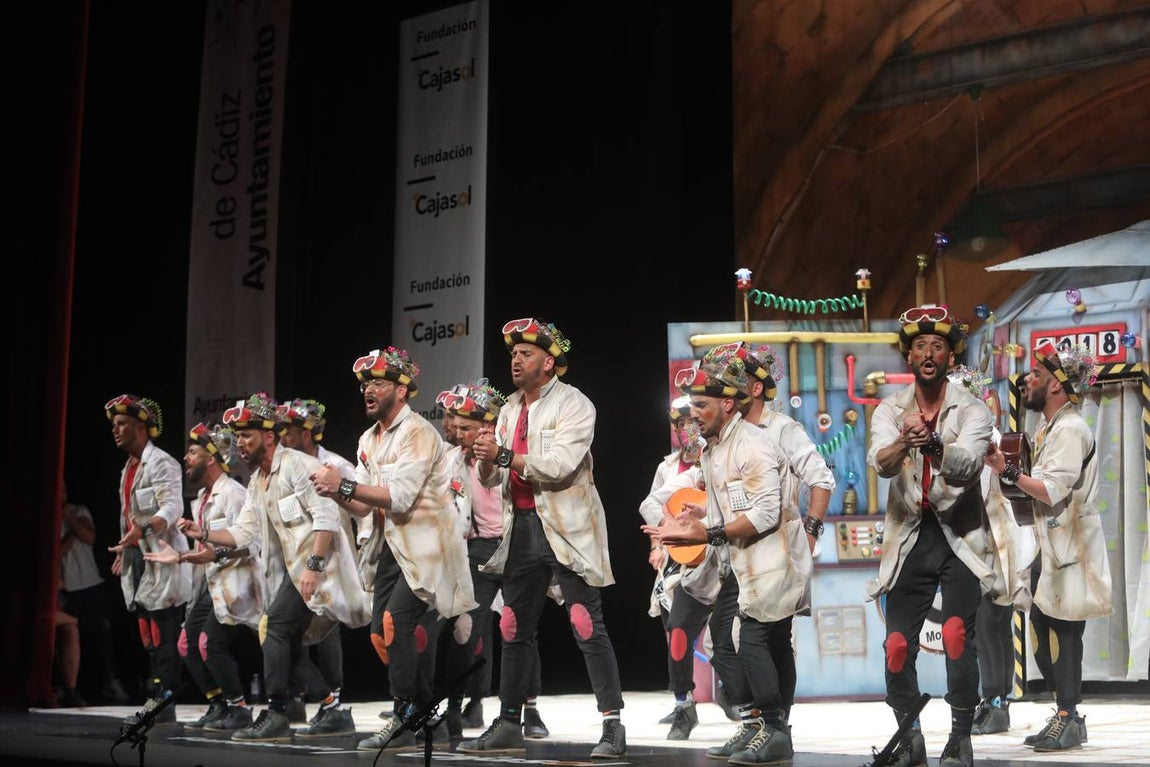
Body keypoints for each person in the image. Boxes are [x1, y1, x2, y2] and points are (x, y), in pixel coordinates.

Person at [464, 317, 626, 759]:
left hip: (565, 527)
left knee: (584, 623)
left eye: (526, 354)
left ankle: (613, 725)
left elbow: (559, 465)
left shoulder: (575, 404)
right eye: (513, 355)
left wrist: (501, 454)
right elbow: (493, 474)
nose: (516, 361)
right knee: (513, 625)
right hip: (520, 526)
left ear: (549, 361)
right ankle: (509, 721)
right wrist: (483, 459)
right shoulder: (509, 409)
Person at [643, 345, 809, 765]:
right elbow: (734, 501)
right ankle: (758, 725)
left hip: (769, 560)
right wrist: (702, 513)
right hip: (739, 563)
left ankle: (774, 729)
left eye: (700, 404)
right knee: (730, 645)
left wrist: (708, 530)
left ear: (728, 403)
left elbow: (767, 512)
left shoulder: (753, 444)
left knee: (751, 643)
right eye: (691, 405)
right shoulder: (715, 448)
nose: (693, 413)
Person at [310, 347, 476, 752]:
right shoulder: (368, 438)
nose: (368, 389)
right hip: (390, 548)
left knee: (394, 624)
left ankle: (405, 717)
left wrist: (343, 484)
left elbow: (399, 498)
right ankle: (423, 714)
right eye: (365, 383)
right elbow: (365, 505)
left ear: (402, 391)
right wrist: (334, 494)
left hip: (425, 548)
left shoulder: (418, 432)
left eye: (378, 383)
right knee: (379, 637)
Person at [182, 392, 369, 742]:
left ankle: (278, 712)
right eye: (237, 437)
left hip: (318, 569)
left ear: (269, 437)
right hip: (293, 574)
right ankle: (331, 709)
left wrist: (314, 566)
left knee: (275, 631)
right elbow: (244, 531)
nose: (240, 443)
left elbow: (327, 515)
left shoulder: (300, 466)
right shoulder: (257, 481)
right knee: (286, 641)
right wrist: (204, 533)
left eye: (247, 435)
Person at [866, 305, 996, 767]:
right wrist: (906, 440)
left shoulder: (972, 408)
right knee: (898, 644)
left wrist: (936, 444)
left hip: (958, 535)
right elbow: (880, 463)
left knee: (957, 635)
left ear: (949, 356)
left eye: (937, 346)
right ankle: (910, 735)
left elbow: (969, 464)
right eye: (920, 345)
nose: (928, 352)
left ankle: (961, 736)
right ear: (909, 357)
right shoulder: (889, 409)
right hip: (911, 536)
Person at [985, 342, 1112, 752]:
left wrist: (1009, 471)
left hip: (1071, 545)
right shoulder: (1048, 427)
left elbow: (1053, 488)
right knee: (1042, 629)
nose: (1027, 381)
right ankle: (1066, 713)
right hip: (1050, 543)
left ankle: (1068, 717)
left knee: (1064, 631)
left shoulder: (1072, 428)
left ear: (1057, 385)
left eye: (1036, 376)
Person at [436, 380, 549, 740]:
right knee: (463, 630)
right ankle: (454, 710)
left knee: (517, 629)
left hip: (517, 546)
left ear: (487, 427)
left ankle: (527, 711)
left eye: (465, 427)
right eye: (456, 425)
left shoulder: (509, 452)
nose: (457, 432)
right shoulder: (454, 460)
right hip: (477, 550)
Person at [734, 341, 834, 725]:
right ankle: (766, 723)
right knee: (753, 639)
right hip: (741, 547)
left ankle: (771, 723)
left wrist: (809, 532)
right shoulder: (730, 434)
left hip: (777, 550)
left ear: (756, 387)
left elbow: (821, 479)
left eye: (736, 379)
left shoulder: (782, 429)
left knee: (765, 638)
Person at [144, 422, 262, 733]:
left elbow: (252, 542)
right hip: (209, 583)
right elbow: (204, 550)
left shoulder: (234, 494)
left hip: (235, 582)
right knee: (186, 646)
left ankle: (239, 708)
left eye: (193, 452)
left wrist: (215, 554)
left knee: (209, 643)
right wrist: (183, 557)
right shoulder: (203, 497)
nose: (187, 458)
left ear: (211, 458)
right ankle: (218, 702)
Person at [944, 366, 1035, 738]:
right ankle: (996, 702)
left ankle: (995, 702)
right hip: (990, 541)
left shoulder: (984, 438)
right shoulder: (976, 435)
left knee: (987, 624)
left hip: (996, 543)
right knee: (989, 626)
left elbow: (984, 494)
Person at [104, 394, 193, 725]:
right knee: (145, 629)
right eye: (114, 425)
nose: (116, 430)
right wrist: (126, 550)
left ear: (141, 427)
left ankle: (166, 699)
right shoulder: (128, 467)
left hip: (161, 555)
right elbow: (127, 515)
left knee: (163, 629)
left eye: (122, 424)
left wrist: (140, 531)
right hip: (139, 555)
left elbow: (172, 508)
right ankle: (156, 693)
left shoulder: (162, 463)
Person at [277, 397, 360, 736]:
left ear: (308, 433)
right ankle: (305, 696)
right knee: (293, 630)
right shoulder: (284, 468)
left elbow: (361, 509)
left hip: (333, 558)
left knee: (326, 628)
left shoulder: (337, 465)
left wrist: (365, 550)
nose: (283, 436)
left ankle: (334, 699)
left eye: (290, 431)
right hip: (297, 557)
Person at [637, 396, 710, 740]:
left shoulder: (715, 458)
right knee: (675, 629)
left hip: (714, 553)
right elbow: (653, 506)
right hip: (677, 554)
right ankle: (684, 702)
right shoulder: (667, 467)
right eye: (680, 424)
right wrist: (658, 543)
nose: (686, 429)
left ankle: (743, 699)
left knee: (724, 637)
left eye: (690, 422)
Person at [57, 482, 130, 705]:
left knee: (102, 636)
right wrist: (72, 534)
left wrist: (67, 515)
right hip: (66, 587)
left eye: (64, 489)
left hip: (90, 584)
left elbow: (88, 536)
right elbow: (56, 551)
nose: (62, 494)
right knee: (70, 637)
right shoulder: (48, 516)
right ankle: (68, 688)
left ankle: (110, 683)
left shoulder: (79, 511)